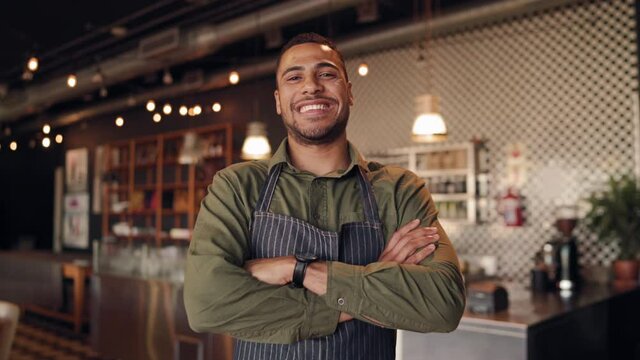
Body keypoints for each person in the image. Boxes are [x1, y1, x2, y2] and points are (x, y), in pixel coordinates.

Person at [184, 33, 465, 360]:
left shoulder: (400, 188)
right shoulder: (237, 186)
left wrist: (296, 269)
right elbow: (205, 304)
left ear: (349, 91)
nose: (311, 86)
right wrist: (370, 283)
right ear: (278, 101)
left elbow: (442, 305)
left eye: (327, 74)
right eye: (294, 77)